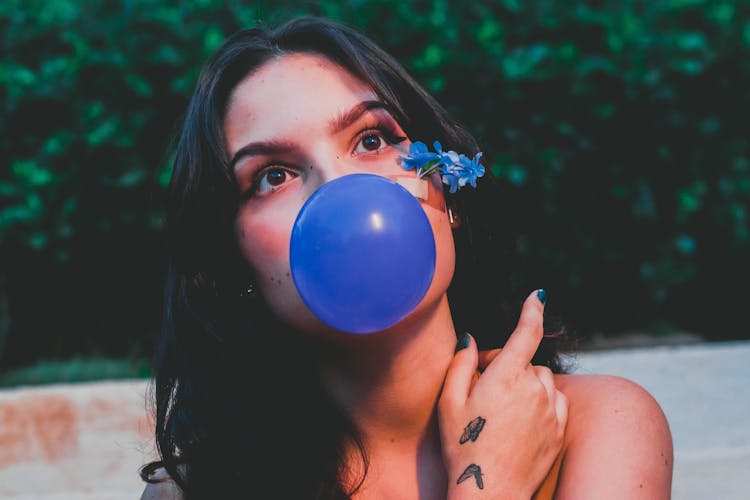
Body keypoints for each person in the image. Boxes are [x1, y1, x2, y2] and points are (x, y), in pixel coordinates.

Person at [140, 16, 672, 499]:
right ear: (234, 262)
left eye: (371, 139)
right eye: (273, 175)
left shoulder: (599, 425)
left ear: (448, 190)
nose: (341, 188)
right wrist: (490, 485)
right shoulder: (191, 493)